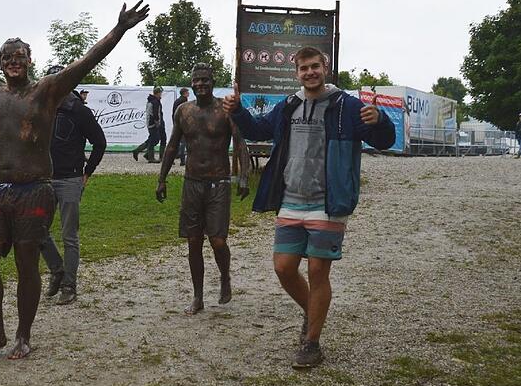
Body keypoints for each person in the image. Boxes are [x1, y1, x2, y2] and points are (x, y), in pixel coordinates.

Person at [0, 0, 148, 360]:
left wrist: (120, 29)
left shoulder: (47, 91)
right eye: (7, 57)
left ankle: (23, 334)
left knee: (26, 262)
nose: (13, 62)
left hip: (34, 190)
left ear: (29, 60)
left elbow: (87, 60)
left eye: (20, 57)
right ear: (1, 63)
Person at [222, 47, 395, 369]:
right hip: (291, 199)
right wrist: (237, 112)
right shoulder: (290, 105)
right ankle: (312, 311)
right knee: (284, 267)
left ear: (325, 67)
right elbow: (258, 129)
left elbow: (384, 141)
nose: (310, 72)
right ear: (297, 72)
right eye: (304, 68)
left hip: (327, 204)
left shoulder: (347, 107)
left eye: (315, 66)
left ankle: (311, 343)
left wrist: (381, 120)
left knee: (317, 271)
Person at [156, 64, 249, 315]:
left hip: (218, 183)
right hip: (192, 183)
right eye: (196, 80)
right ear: (191, 82)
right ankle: (198, 296)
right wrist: (162, 178)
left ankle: (225, 276)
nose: (200, 84)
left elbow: (240, 145)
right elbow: (172, 146)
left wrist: (243, 177)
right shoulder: (183, 111)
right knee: (193, 241)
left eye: (205, 80)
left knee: (218, 241)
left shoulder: (225, 110)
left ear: (212, 81)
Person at [41, 68, 107, 306]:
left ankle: (69, 285)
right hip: (43, 180)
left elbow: (100, 142)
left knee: (69, 235)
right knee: (38, 230)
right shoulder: (41, 106)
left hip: (69, 179)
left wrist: (86, 174)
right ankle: (57, 269)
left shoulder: (78, 110)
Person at [131, 85, 165, 163]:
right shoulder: (155, 102)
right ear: (158, 93)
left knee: (153, 139)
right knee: (154, 140)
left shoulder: (151, 100)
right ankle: (150, 157)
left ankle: (140, 152)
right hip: (153, 123)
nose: (161, 95)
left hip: (151, 122)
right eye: (160, 93)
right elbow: (155, 113)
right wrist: (157, 123)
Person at [172, 87, 190, 166]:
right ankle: (182, 159)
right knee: (183, 142)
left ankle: (176, 155)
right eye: (187, 92)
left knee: (177, 141)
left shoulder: (177, 100)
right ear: (185, 93)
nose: (188, 93)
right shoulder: (184, 101)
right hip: (182, 123)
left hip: (177, 122)